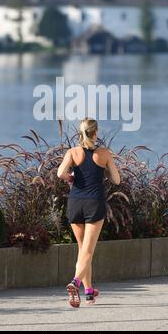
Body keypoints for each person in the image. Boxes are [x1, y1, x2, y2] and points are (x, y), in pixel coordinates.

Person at [57, 117, 120, 307]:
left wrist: (71, 178)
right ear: (96, 133)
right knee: (88, 251)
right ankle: (75, 282)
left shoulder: (73, 152)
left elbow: (60, 173)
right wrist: (104, 171)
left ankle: (89, 292)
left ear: (81, 132)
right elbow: (117, 180)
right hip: (94, 204)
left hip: (75, 204)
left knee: (83, 250)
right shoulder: (104, 154)